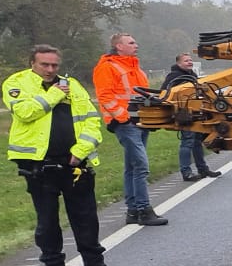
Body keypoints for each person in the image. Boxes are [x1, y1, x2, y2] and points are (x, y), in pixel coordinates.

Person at [3, 45, 122, 266]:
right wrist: (55, 94)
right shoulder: (16, 83)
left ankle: (95, 265)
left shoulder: (73, 85)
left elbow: (90, 120)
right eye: (44, 65)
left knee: (86, 217)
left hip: (75, 163)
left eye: (54, 65)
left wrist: (80, 152)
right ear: (32, 63)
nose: (50, 70)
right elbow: (25, 112)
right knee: (48, 220)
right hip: (39, 164)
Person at [92, 32, 167, 225]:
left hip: (140, 121)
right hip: (126, 123)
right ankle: (144, 210)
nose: (136, 45)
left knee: (133, 167)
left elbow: (143, 95)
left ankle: (133, 211)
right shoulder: (107, 67)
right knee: (141, 166)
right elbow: (105, 96)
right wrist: (123, 118)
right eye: (131, 42)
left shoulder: (135, 67)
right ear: (119, 46)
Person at [162, 52, 220, 182]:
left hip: (196, 113)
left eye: (190, 60)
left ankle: (203, 169)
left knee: (196, 142)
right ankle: (186, 172)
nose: (189, 62)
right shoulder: (174, 76)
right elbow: (164, 93)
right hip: (184, 114)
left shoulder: (191, 76)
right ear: (178, 63)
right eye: (186, 61)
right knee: (187, 142)